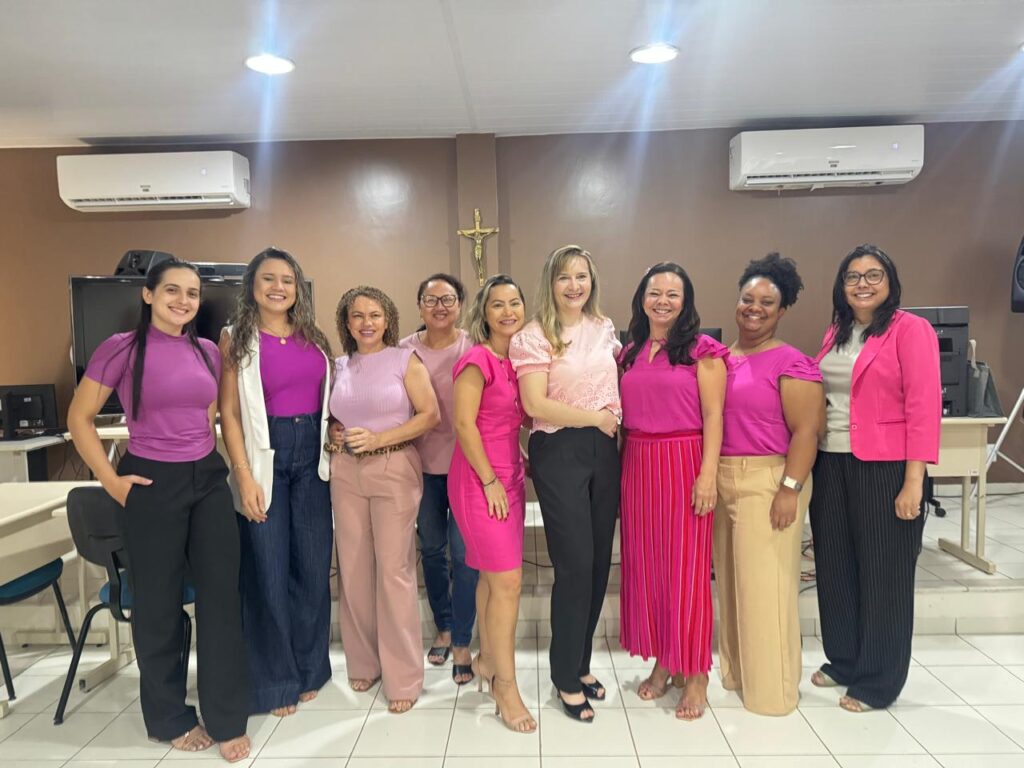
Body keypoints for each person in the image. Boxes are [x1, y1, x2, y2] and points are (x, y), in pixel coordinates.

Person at [67, 258, 250, 763]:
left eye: (192, 293)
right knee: (158, 604)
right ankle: (170, 718)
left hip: (207, 480)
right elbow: (79, 418)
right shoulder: (121, 348)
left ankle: (226, 716)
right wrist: (112, 483)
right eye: (172, 290)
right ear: (148, 295)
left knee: (222, 597)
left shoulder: (208, 351)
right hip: (149, 482)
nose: (183, 301)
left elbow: (208, 415)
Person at [810, 244, 941, 712]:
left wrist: (913, 482)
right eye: (852, 276)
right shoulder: (837, 331)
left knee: (885, 574)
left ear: (890, 282)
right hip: (831, 463)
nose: (862, 284)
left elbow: (923, 407)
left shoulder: (910, 330)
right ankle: (845, 660)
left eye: (873, 275)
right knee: (836, 566)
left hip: (886, 467)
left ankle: (879, 681)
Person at [219, 247, 334, 717]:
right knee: (267, 569)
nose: (278, 287)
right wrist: (242, 475)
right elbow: (228, 412)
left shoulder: (313, 336)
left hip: (313, 458)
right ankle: (274, 681)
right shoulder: (235, 337)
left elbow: (326, 398)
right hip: (265, 456)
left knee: (312, 568)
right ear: (252, 285)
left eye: (287, 280)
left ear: (297, 288)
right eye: (268, 279)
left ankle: (310, 670)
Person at [510, 244, 621, 723]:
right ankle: (563, 677)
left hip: (604, 449)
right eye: (564, 277)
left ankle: (580, 663)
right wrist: (596, 418)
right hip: (559, 450)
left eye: (582, 276)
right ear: (550, 284)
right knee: (574, 565)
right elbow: (535, 404)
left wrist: (605, 422)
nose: (574, 285)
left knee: (596, 564)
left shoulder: (604, 327)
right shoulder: (534, 336)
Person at [714, 253, 823, 716]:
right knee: (733, 588)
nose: (754, 308)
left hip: (770, 479)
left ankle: (773, 695)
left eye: (766, 302)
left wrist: (789, 489)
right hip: (723, 478)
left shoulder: (791, 362)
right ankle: (739, 676)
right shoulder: (722, 358)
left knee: (766, 592)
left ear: (782, 311)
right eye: (747, 298)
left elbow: (807, 431)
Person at [618, 262, 726, 721]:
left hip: (684, 461)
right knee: (650, 571)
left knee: (687, 572)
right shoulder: (629, 352)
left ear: (686, 302)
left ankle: (697, 671)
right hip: (638, 464)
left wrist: (708, 474)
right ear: (642, 298)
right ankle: (665, 659)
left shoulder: (702, 351)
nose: (662, 300)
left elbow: (715, 415)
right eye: (654, 292)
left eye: (672, 294)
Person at [327, 286, 440, 714]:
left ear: (388, 319)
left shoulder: (405, 360)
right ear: (347, 322)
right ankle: (364, 662)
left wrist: (379, 438)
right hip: (345, 471)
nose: (366, 323)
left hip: (394, 467)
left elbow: (430, 415)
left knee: (394, 572)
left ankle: (404, 677)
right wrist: (334, 429)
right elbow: (335, 414)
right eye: (357, 315)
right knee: (353, 569)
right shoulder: (339, 365)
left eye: (374, 314)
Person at [449, 274, 535, 733]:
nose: (507, 311)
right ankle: (506, 684)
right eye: (497, 304)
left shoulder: (513, 361)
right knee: (508, 582)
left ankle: (486, 660)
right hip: (479, 481)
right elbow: (465, 425)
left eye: (514, 303)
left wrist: (517, 458)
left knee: (491, 578)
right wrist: (489, 481)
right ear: (483, 312)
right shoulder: (477, 358)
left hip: (510, 476)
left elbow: (500, 422)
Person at [399, 273, 476, 683]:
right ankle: (443, 626)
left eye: (448, 299)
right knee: (431, 549)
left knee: (463, 555)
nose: (440, 307)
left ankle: (462, 637)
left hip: (465, 465)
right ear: (420, 306)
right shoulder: (403, 351)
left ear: (460, 305)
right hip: (420, 466)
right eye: (431, 300)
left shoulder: (473, 345)